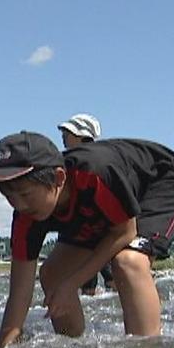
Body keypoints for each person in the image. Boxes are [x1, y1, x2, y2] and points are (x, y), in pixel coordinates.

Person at [0, 131, 174, 348]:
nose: (19, 206)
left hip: (160, 183)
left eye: (25, 195)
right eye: (9, 197)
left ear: (58, 178)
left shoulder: (95, 172)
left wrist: (72, 284)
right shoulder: (24, 216)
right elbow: (18, 293)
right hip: (98, 206)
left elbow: (124, 231)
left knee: (128, 261)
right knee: (53, 273)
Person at [57, 113, 115, 295]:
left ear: (80, 135)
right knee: (107, 274)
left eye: (67, 132)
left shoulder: (87, 160)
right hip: (95, 225)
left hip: (92, 224)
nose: (63, 136)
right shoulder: (95, 157)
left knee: (102, 273)